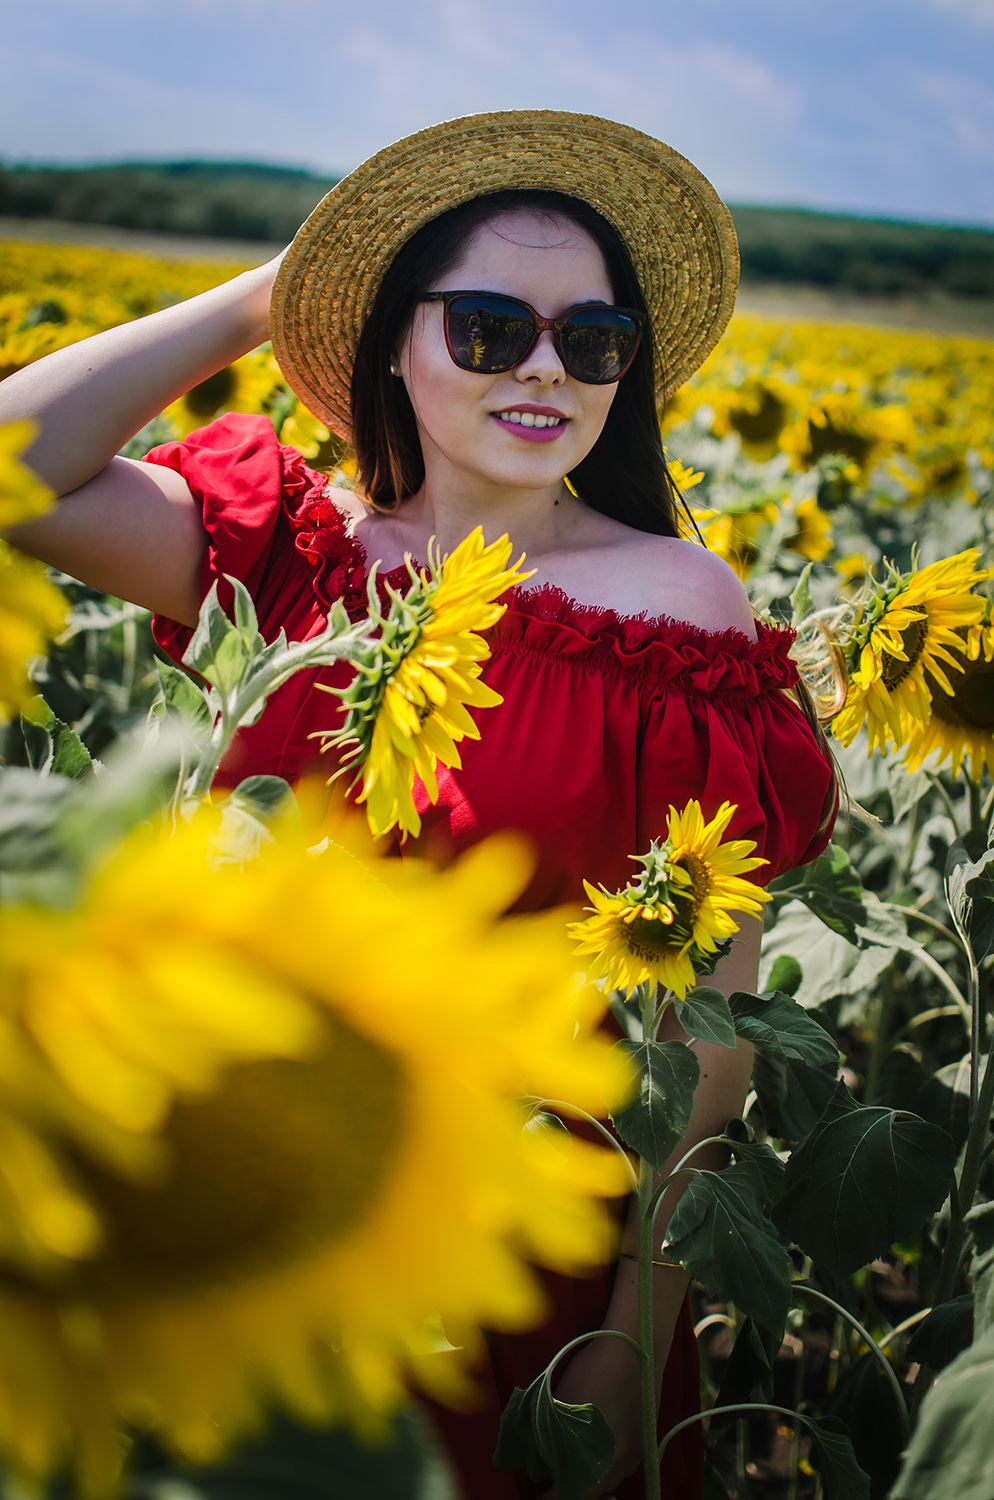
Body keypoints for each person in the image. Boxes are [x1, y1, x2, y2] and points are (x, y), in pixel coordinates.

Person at [1, 110, 837, 1500]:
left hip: (519, 1224)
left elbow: (708, 1021)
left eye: (593, 339)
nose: (548, 370)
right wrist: (272, 297)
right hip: (234, 1186)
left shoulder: (675, 612)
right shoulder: (293, 561)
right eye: (490, 327)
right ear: (392, 338)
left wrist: (633, 1337)